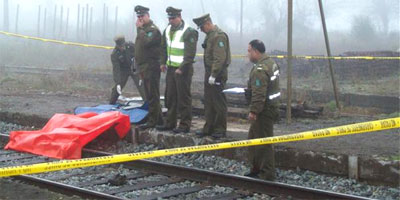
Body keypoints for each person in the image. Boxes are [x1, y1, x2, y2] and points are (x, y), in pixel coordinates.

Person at [156, 7, 198, 133]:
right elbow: (163, 47)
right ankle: (170, 122)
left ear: (179, 17)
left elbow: (190, 54)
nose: (171, 20)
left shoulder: (189, 31)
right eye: (169, 18)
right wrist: (162, 62)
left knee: (183, 98)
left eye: (173, 18)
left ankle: (184, 125)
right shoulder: (167, 29)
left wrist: (182, 68)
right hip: (171, 68)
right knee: (170, 96)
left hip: (183, 70)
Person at [245, 39, 280, 181]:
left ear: (256, 51)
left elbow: (259, 94)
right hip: (269, 108)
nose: (247, 54)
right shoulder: (271, 63)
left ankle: (267, 175)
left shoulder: (260, 69)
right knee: (253, 139)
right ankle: (256, 168)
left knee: (264, 142)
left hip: (263, 111)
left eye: (249, 51)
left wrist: (254, 111)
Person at [192, 14, 231, 139]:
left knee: (218, 101)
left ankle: (220, 128)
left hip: (217, 74)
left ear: (208, 23)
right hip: (209, 72)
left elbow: (219, 58)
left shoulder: (219, 36)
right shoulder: (210, 36)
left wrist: (214, 74)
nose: (202, 30)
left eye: (202, 27)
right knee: (209, 101)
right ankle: (209, 127)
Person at [134, 5, 163, 130]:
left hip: (151, 66)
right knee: (149, 95)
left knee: (152, 95)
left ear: (148, 16)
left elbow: (147, 42)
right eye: (138, 16)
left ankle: (153, 121)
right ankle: (159, 119)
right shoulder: (143, 30)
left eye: (142, 16)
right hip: (144, 67)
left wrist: (140, 30)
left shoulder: (152, 30)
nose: (140, 19)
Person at [109, 35, 146, 104]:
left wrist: (141, 70)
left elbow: (140, 54)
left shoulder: (131, 46)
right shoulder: (114, 54)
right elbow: (116, 69)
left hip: (134, 68)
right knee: (117, 88)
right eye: (120, 47)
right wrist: (117, 82)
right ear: (117, 46)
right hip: (123, 71)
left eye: (123, 46)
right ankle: (111, 103)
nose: (122, 48)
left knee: (141, 85)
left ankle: (148, 103)